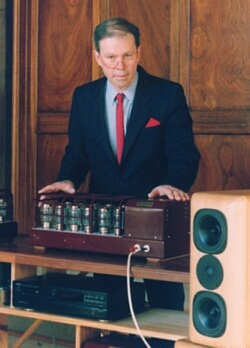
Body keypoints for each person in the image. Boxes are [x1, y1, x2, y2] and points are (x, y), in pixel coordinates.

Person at [39, 17, 200, 310]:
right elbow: (77, 154)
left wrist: (172, 184)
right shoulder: (84, 97)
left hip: (155, 217)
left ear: (138, 52)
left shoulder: (168, 94)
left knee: (165, 304)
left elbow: (185, 154)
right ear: (97, 57)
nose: (120, 66)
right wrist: (68, 179)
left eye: (127, 56)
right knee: (106, 304)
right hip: (106, 219)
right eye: (111, 57)